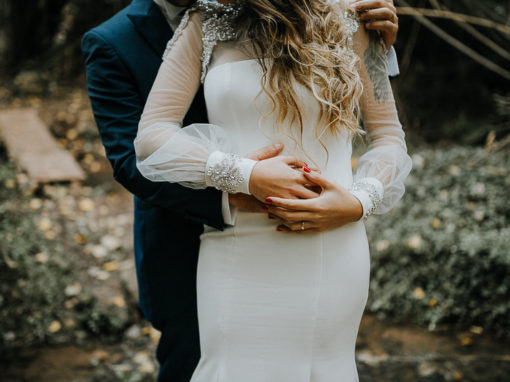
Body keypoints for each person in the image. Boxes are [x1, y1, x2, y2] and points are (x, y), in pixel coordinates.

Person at [81, 0, 399, 380]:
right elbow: (145, 143)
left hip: (332, 246)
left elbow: (389, 136)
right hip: (233, 245)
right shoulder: (202, 23)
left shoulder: (354, 17)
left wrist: (359, 201)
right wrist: (242, 175)